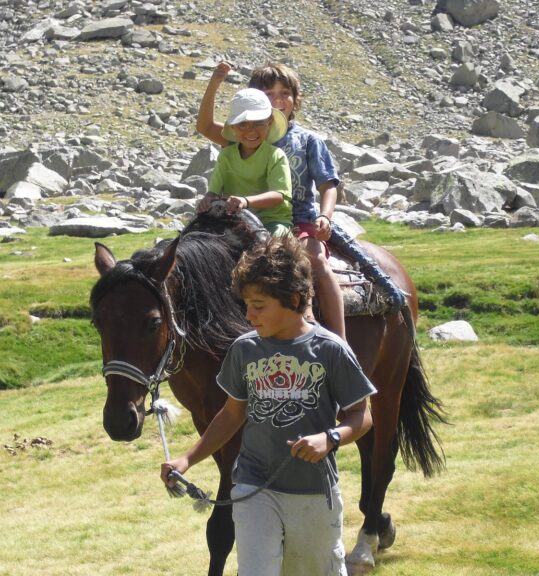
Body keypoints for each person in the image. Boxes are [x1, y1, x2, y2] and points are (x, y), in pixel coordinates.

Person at [161, 235, 376, 576]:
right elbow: (232, 414)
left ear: (292, 299)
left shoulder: (331, 350)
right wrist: (188, 458)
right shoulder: (245, 350)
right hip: (253, 486)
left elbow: (361, 416)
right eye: (245, 305)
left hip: (313, 492)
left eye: (258, 306)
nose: (248, 315)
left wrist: (330, 438)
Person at [197, 62, 407, 327]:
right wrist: (215, 83)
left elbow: (327, 185)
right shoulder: (244, 134)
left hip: (298, 220)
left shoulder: (307, 140)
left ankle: (336, 339)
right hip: (242, 221)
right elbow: (205, 126)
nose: (278, 100)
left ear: (296, 99)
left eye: (285, 93)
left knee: (317, 262)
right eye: (268, 94)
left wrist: (325, 217)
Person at [197, 86, 293, 237]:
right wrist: (208, 199)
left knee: (276, 248)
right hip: (235, 219)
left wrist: (245, 201)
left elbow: (278, 195)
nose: (251, 131)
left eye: (259, 123)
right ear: (233, 127)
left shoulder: (276, 155)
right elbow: (213, 191)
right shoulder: (226, 155)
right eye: (243, 124)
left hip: (271, 221)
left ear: (269, 122)